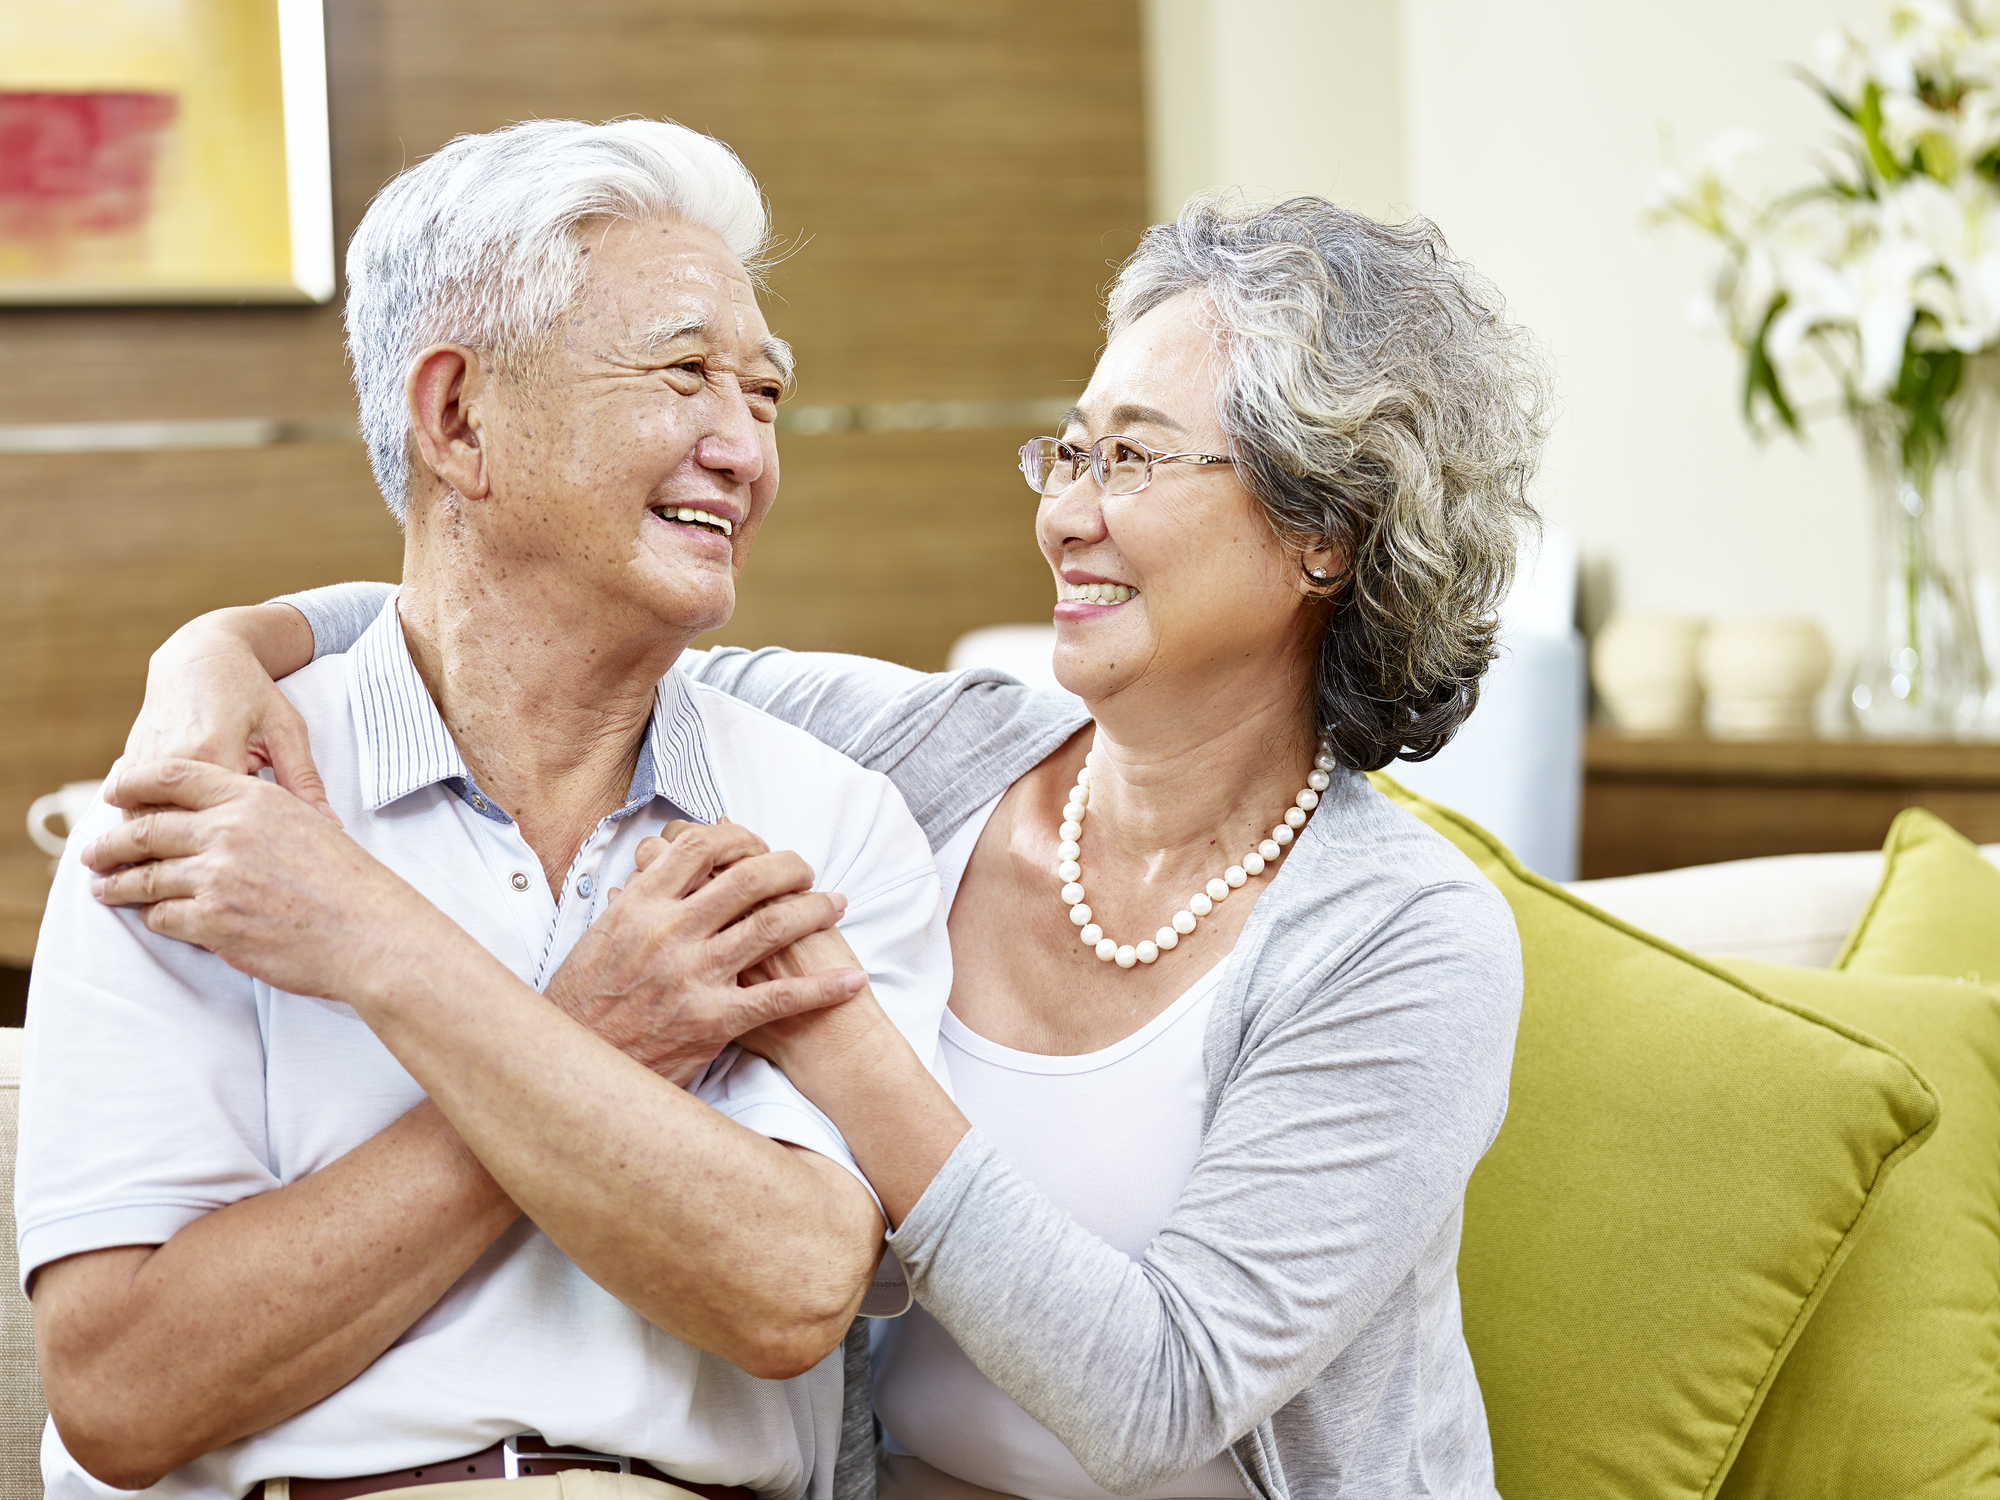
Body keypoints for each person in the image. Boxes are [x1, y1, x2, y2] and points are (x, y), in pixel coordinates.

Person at [106, 193, 1550, 1500]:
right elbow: (515, 613)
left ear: (1328, 534)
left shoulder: (1407, 937)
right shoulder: (927, 755)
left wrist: (842, 1041)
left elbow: (1153, 1397)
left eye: (1133, 459)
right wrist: (222, 646)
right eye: (1068, 447)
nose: (1065, 513)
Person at [18, 118, 959, 1500]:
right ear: (458, 418)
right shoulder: (213, 801)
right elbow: (121, 1390)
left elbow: (789, 1288)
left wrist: (378, 947)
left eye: (764, 396)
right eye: (684, 372)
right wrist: (595, 1038)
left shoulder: (824, 819)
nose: (744, 450)